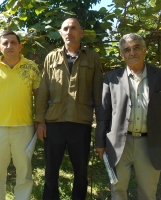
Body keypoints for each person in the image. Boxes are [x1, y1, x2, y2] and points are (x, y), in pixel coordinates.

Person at [95, 33, 161, 199]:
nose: (132, 52)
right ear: (122, 55)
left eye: (136, 47)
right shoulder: (111, 78)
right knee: (117, 191)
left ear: (144, 49)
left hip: (149, 144)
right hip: (118, 144)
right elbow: (103, 114)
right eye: (127, 50)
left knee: (148, 193)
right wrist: (100, 143)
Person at [35, 17, 103, 200]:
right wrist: (40, 121)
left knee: (81, 174)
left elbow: (98, 94)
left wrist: (101, 129)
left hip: (81, 124)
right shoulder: (51, 57)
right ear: (60, 33)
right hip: (54, 124)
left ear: (81, 33)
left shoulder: (93, 58)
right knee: (51, 173)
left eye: (73, 28)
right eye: (65, 28)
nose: (69, 32)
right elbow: (43, 92)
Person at [0, 30, 41, 200]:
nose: (9, 46)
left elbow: (40, 98)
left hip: (25, 128)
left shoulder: (31, 66)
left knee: (24, 173)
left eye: (13, 42)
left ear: (20, 46)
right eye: (5, 43)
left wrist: (40, 121)